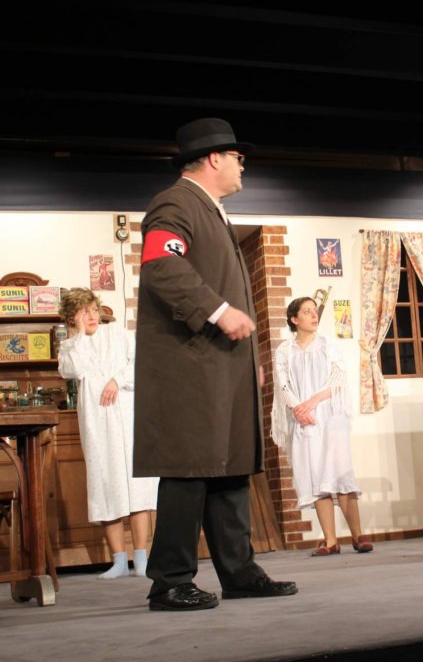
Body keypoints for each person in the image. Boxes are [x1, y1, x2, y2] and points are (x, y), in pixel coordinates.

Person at [134, 118, 298, 611]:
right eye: (237, 157)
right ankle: (169, 580)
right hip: (191, 366)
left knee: (229, 468)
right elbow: (162, 266)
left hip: (222, 365)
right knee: (189, 468)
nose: (242, 166)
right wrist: (218, 310)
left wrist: (250, 362)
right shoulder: (176, 203)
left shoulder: (213, 211)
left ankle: (240, 573)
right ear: (213, 158)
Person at [57, 288, 158, 579]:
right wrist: (79, 335)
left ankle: (141, 557)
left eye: (93, 310)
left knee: (135, 485)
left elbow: (142, 363)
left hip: (126, 416)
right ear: (72, 318)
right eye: (82, 312)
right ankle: (118, 559)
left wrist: (117, 380)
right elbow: (73, 371)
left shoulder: (119, 334)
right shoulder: (69, 347)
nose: (91, 316)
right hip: (97, 421)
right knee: (105, 483)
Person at [272, 297, 373, 556]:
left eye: (314, 311)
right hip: (304, 421)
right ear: (294, 319)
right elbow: (283, 384)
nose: (313, 315)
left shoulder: (328, 344)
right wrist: (298, 408)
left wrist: (312, 402)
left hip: (330, 418)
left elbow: (338, 378)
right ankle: (330, 541)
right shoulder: (284, 351)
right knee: (317, 477)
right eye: (307, 312)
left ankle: (358, 535)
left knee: (340, 473)